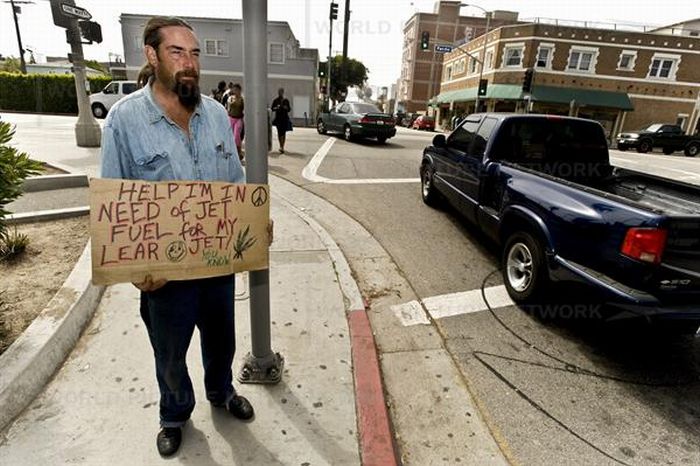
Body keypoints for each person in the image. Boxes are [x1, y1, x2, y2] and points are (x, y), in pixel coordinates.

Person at [100, 16, 255, 458]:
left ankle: (221, 393)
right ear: (152, 55)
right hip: (163, 277)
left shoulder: (218, 115)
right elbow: (115, 204)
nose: (189, 64)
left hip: (217, 267)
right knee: (169, 355)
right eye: (177, 52)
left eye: (195, 53)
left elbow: (236, 185)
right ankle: (174, 413)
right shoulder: (124, 121)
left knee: (222, 341)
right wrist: (134, 271)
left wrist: (254, 222)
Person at [226, 83, 244, 159]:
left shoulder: (242, 99)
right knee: (230, 135)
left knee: (236, 135)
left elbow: (244, 109)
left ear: (240, 90)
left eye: (237, 90)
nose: (235, 91)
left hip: (238, 118)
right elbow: (227, 108)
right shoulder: (230, 98)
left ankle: (239, 151)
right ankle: (232, 151)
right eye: (234, 89)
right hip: (231, 118)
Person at [271, 87, 291, 154]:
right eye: (279, 92)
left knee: (283, 132)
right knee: (279, 133)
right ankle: (280, 145)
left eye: (281, 92)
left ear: (283, 92)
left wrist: (286, 107)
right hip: (278, 119)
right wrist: (276, 108)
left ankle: (282, 146)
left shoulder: (286, 100)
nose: (280, 93)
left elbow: (289, 109)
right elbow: (272, 108)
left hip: (284, 118)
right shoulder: (276, 100)